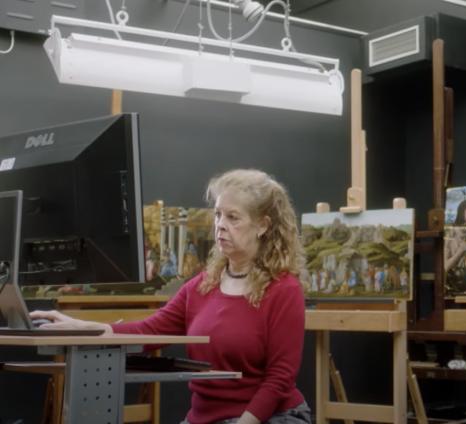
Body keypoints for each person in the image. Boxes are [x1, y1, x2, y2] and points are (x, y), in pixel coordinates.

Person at [31, 169, 311, 424]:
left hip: (270, 417)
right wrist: (83, 328)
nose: (220, 225)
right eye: (217, 215)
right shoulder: (202, 286)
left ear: (263, 225)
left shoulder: (284, 290)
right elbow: (148, 331)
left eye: (233, 217)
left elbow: (280, 379)